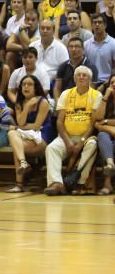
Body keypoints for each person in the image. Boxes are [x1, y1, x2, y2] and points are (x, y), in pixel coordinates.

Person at [44, 66, 104, 196]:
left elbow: (94, 123)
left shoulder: (96, 95)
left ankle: (78, 181)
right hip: (67, 136)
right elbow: (59, 121)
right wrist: (68, 142)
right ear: (74, 78)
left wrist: (82, 141)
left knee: (93, 145)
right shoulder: (66, 94)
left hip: (87, 137)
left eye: (85, 75)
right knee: (51, 148)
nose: (81, 77)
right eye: (79, 75)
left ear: (90, 79)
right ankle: (57, 183)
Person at [6, 75, 51, 193]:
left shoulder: (43, 102)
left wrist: (18, 127)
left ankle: (19, 184)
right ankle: (23, 162)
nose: (26, 87)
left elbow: (36, 126)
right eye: (24, 84)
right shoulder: (19, 102)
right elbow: (21, 121)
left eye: (29, 84)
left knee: (16, 143)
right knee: (12, 134)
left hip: (42, 138)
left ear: (36, 87)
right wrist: (26, 107)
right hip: (26, 136)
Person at [54, 37, 99, 105]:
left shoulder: (91, 67)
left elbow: (92, 89)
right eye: (71, 47)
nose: (73, 49)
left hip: (83, 101)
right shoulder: (63, 66)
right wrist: (58, 102)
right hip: (65, 100)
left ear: (83, 49)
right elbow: (57, 88)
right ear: (68, 49)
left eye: (77, 46)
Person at [94, 74, 115, 195]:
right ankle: (110, 164)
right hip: (108, 136)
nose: (114, 85)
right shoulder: (105, 99)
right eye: (112, 82)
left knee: (102, 133)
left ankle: (107, 184)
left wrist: (105, 123)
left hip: (107, 131)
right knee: (102, 137)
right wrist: (106, 97)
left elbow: (101, 122)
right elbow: (97, 118)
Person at [84, 13, 115, 83]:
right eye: (95, 22)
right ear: (92, 26)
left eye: (100, 22)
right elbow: (84, 66)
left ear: (105, 25)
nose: (97, 25)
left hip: (108, 82)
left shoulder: (113, 43)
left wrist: (107, 82)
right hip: (90, 82)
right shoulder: (86, 44)